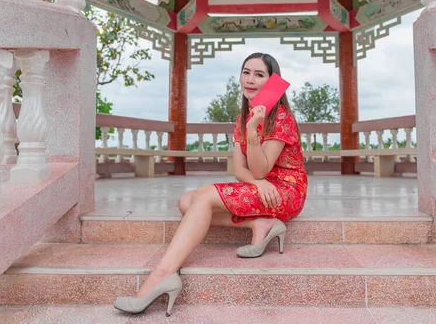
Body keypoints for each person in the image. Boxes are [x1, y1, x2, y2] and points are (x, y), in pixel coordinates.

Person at [113, 52, 308, 316]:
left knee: (202, 197)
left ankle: (162, 274)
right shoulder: (243, 119)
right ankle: (259, 222)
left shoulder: (281, 117)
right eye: (246, 72)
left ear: (271, 81)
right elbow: (241, 171)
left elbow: (262, 168)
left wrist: (253, 134)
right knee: (186, 202)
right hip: (262, 187)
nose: (250, 80)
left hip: (284, 190)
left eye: (259, 75)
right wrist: (257, 179)